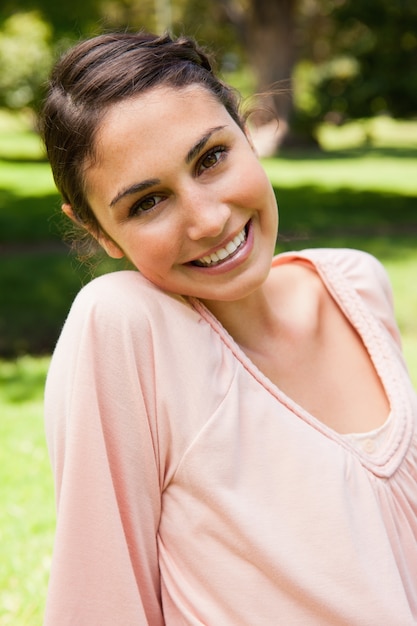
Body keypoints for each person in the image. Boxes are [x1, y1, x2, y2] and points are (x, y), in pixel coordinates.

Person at [39, 31, 417, 626]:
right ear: (99, 233)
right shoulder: (124, 328)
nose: (209, 220)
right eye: (147, 203)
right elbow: (99, 606)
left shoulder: (357, 286)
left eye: (211, 158)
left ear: (247, 132)